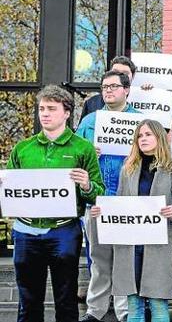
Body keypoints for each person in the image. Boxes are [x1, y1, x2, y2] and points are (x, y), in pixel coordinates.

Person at [6, 85, 104, 322]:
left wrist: (86, 185)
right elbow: (9, 190)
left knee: (66, 299)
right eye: (41, 109)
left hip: (64, 230)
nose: (45, 114)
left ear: (67, 112)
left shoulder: (83, 148)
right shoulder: (22, 148)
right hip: (26, 230)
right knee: (28, 301)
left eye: (51, 108)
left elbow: (98, 192)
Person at [89, 120, 172, 322]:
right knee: (133, 304)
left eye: (148, 135)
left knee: (158, 304)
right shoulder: (128, 170)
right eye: (140, 135)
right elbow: (119, 203)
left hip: (159, 247)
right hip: (130, 246)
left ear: (159, 137)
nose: (143, 139)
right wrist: (104, 212)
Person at [77, 70, 141, 322]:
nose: (108, 91)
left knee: (125, 258)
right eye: (104, 87)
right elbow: (74, 158)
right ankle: (96, 310)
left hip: (127, 200)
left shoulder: (140, 122)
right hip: (97, 200)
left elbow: (153, 156)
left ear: (126, 90)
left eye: (114, 86)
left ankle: (125, 311)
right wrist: (88, 153)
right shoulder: (89, 121)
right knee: (99, 259)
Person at [79, 56, 136, 121]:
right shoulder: (92, 103)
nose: (119, 77)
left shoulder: (142, 100)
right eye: (115, 72)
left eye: (124, 74)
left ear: (133, 76)